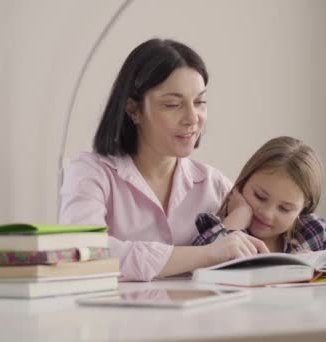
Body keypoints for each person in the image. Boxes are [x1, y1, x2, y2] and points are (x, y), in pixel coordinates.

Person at [59, 38, 269, 281]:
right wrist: (207, 254)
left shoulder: (215, 186)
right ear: (133, 110)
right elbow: (85, 254)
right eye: (172, 104)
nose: (192, 118)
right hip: (112, 318)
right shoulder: (91, 172)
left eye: (200, 102)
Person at [192, 136, 326, 272]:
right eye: (260, 196)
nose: (267, 214)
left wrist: (322, 259)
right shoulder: (222, 228)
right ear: (244, 182)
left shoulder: (309, 230)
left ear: (303, 208)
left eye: (285, 208)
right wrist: (235, 221)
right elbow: (197, 260)